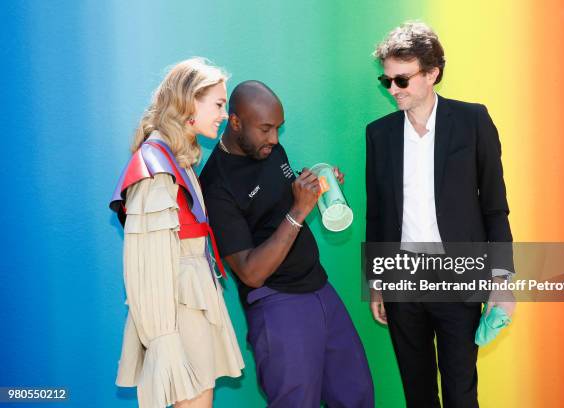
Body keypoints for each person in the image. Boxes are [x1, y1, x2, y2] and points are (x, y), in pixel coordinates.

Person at [365, 22, 515, 407]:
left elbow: (495, 206)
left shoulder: (473, 121)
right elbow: (377, 214)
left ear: (432, 73)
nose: (393, 89)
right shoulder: (378, 135)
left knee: (461, 392)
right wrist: (376, 281)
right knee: (418, 394)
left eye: (402, 79)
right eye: (387, 81)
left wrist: (503, 281)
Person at [199, 80, 374, 408]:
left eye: (278, 128)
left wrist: (315, 188)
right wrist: (299, 210)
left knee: (357, 395)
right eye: (265, 129)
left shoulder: (270, 149)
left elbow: (276, 203)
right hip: (277, 304)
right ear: (235, 122)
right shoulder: (215, 185)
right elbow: (251, 272)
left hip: (320, 288)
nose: (275, 139)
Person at [110, 58, 244, 408]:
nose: (223, 114)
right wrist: (163, 340)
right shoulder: (155, 167)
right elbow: (147, 267)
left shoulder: (174, 159)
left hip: (191, 296)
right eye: (217, 104)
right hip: (179, 307)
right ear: (188, 103)